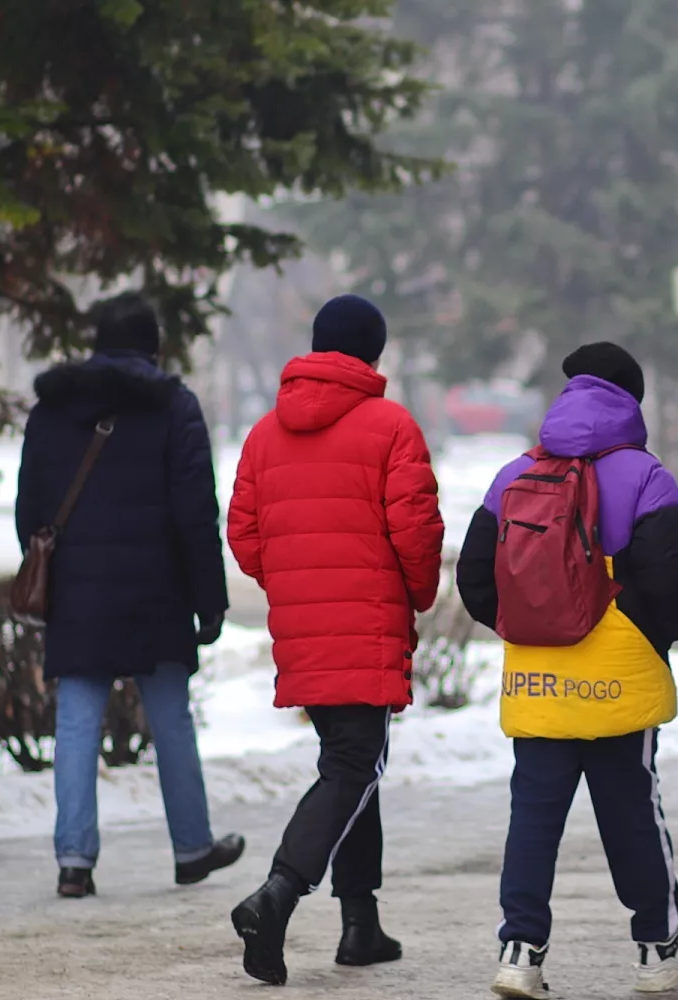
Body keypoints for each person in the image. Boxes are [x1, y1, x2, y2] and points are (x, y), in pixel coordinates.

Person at [455, 342, 678, 999]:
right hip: (618, 670)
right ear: (631, 400)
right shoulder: (646, 476)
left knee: (534, 815)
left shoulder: (513, 472)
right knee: (632, 807)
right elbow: (674, 591)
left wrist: (529, 625)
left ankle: (519, 950)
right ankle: (659, 946)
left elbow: (475, 581)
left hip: (538, 673)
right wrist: (643, 635)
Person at [226, 294, 445, 985]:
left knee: (352, 761)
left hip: (303, 622)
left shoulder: (265, 433)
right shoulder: (390, 425)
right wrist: (416, 592)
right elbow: (417, 531)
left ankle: (361, 923)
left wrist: (292, 581)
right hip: (365, 618)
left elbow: (244, 533)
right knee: (355, 762)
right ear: (373, 354)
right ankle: (277, 893)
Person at [15, 292, 243, 898]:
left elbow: (30, 505)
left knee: (76, 723)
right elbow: (196, 511)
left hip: (78, 592)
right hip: (158, 590)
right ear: (153, 345)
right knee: (170, 717)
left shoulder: (53, 407)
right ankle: (192, 846)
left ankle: (74, 860)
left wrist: (49, 572)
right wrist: (209, 598)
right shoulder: (175, 407)